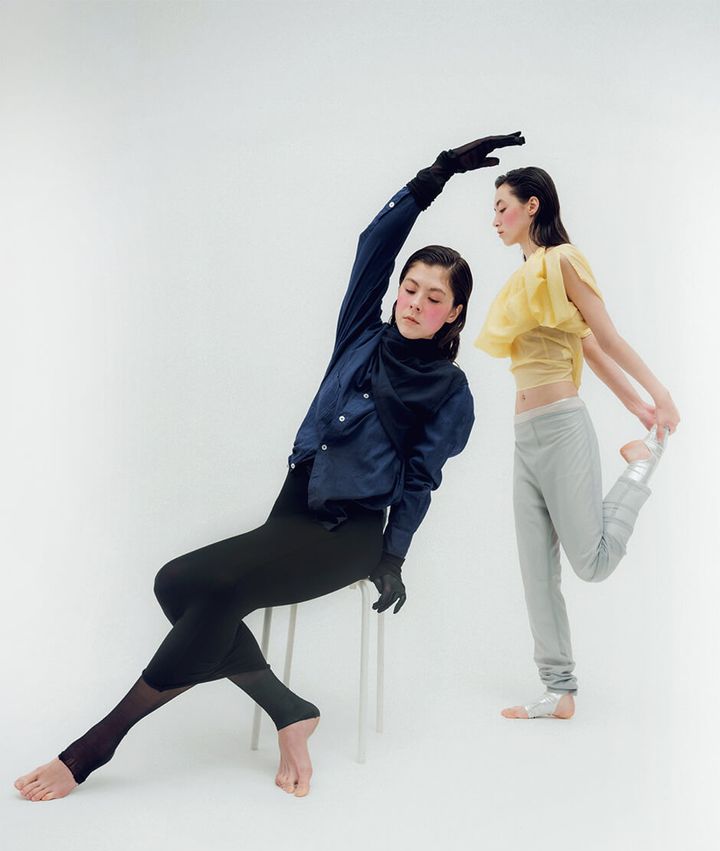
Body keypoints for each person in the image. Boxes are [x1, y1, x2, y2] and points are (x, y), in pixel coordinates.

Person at [14, 131, 525, 801]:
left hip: (348, 533)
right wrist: (435, 175)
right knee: (176, 582)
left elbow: (423, 480)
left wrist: (393, 555)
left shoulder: (449, 391)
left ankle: (92, 748)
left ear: (454, 313)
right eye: (411, 288)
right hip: (292, 512)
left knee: (220, 591)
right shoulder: (360, 335)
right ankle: (291, 711)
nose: (416, 303)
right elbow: (373, 243)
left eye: (435, 298)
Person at [475, 166, 680, 720]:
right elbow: (584, 346)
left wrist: (659, 395)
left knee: (592, 563)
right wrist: (636, 408)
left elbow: (606, 337)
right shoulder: (524, 275)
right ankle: (558, 691)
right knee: (536, 572)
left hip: (563, 427)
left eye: (502, 206)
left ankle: (640, 467)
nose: (495, 219)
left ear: (533, 205)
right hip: (524, 435)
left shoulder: (562, 260)